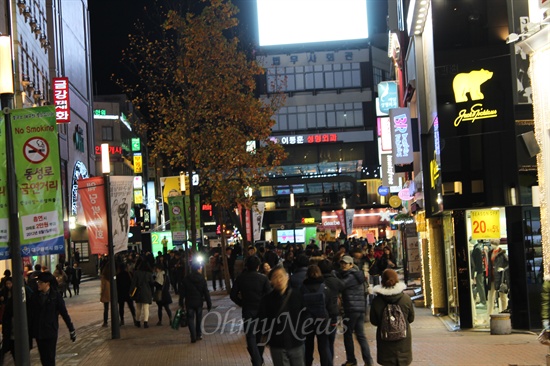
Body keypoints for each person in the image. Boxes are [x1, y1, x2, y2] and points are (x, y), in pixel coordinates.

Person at [258, 265, 305, 366]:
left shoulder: (297, 295)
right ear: (271, 281)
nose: (279, 280)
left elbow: (305, 315)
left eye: (281, 276)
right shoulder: (267, 300)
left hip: (296, 342)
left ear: (287, 277)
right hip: (277, 344)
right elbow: (262, 320)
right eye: (275, 277)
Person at [230, 255, 272, 366]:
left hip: (248, 310)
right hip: (261, 311)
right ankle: (258, 358)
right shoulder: (263, 278)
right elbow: (270, 294)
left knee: (250, 336)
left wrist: (242, 303)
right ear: (258, 266)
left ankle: (256, 360)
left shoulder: (240, 278)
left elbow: (233, 295)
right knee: (260, 335)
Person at [29, 272, 76, 366]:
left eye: (41, 283)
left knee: (50, 357)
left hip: (50, 331)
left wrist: (71, 329)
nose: (38, 284)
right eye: (38, 282)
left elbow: (64, 313)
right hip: (39, 332)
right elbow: (31, 315)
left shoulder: (55, 296)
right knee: (43, 357)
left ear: (47, 284)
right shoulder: (35, 296)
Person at [370, 269, 415, 366]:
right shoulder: (406, 299)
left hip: (385, 341)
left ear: (382, 281)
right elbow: (411, 319)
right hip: (403, 341)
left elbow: (373, 321)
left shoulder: (377, 301)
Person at [338, 255, 374, 366]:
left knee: (348, 334)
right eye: (342, 263)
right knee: (360, 335)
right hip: (360, 309)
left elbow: (341, 286)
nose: (343, 265)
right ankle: (368, 361)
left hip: (351, 309)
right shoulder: (358, 275)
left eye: (346, 263)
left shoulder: (350, 277)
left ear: (351, 265)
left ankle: (351, 360)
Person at [301, 264, 336, 366]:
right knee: (324, 346)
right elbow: (331, 306)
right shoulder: (324, 288)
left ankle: (308, 363)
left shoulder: (302, 288)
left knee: (308, 346)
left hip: (307, 321)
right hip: (322, 320)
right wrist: (333, 320)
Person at [318, 259, 344, 363]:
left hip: (321, 314)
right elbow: (343, 287)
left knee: (323, 343)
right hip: (333, 313)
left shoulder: (319, 281)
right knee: (330, 342)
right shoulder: (335, 280)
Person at [180, 261, 212, 343]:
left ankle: (193, 335)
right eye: (200, 267)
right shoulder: (202, 279)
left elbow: (182, 292)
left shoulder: (186, 279)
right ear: (198, 268)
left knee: (190, 318)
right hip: (198, 302)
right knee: (199, 318)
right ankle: (199, 334)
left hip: (189, 301)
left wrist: (181, 302)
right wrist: (209, 303)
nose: (201, 269)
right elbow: (206, 292)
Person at [131, 260, 154, 328]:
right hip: (147, 292)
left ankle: (138, 321)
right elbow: (152, 283)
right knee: (146, 308)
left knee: (138, 308)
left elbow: (133, 283)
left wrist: (131, 292)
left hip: (138, 292)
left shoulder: (136, 273)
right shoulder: (149, 273)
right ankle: (145, 322)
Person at [100, 263, 111, 327]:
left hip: (105, 294)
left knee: (106, 309)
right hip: (112, 293)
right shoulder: (112, 275)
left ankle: (105, 322)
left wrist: (101, 294)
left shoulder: (104, 277)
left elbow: (102, 287)